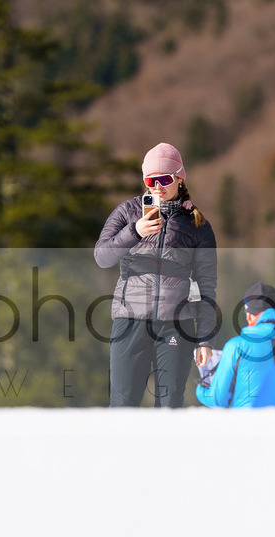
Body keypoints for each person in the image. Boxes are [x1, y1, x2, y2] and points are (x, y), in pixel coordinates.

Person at [94, 142, 218, 407]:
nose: (157, 187)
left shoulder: (196, 224)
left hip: (177, 323)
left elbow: (207, 285)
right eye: (151, 180)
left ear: (179, 178)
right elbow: (102, 257)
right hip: (130, 320)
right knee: (123, 404)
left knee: (169, 405)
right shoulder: (127, 212)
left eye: (165, 179)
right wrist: (135, 231)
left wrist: (205, 339)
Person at [196, 282, 275, 409]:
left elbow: (217, 399)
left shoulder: (236, 346)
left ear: (249, 315)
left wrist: (200, 389)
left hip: (248, 421)